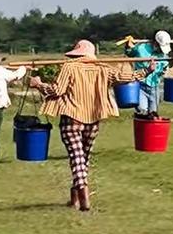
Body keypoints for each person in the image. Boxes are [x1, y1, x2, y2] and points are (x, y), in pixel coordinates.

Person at [29, 40, 156, 212]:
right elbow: (124, 78)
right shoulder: (102, 68)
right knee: (83, 159)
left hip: (72, 119)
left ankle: (84, 197)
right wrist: (147, 71)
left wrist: (38, 84)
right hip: (93, 120)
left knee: (77, 158)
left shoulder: (69, 67)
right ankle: (74, 198)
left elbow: (56, 91)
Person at [125, 31, 171, 116]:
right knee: (142, 111)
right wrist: (128, 45)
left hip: (155, 87)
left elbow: (164, 67)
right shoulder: (141, 48)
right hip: (140, 85)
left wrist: (163, 71)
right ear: (155, 43)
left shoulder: (164, 55)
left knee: (153, 115)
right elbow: (129, 53)